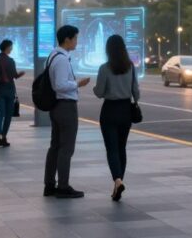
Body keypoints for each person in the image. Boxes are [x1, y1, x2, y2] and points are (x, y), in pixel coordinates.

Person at [44, 25, 90, 199]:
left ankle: (49, 185)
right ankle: (63, 186)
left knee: (55, 146)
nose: (77, 41)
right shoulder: (62, 59)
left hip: (57, 106)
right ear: (67, 39)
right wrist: (78, 84)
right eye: (75, 38)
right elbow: (60, 85)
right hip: (65, 106)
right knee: (66, 148)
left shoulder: (53, 55)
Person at [93, 34, 140, 201]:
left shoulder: (104, 68)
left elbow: (99, 92)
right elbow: (137, 93)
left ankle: (117, 180)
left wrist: (98, 89)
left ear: (108, 50)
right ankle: (118, 183)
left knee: (111, 149)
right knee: (121, 148)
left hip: (109, 111)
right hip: (126, 110)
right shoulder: (130, 67)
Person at [0, 39, 25, 148]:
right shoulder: (11, 61)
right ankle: (4, 136)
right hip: (10, 90)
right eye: (11, 47)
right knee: (8, 115)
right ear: (7, 47)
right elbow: (14, 76)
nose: (12, 49)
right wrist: (20, 74)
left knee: (0, 114)